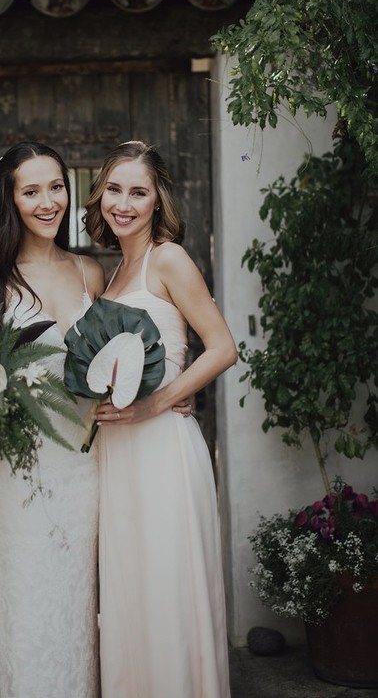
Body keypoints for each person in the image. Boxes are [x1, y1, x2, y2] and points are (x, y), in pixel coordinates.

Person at [83, 140, 237, 698]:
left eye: (138, 192)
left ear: (156, 201)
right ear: (100, 194)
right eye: (115, 190)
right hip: (118, 454)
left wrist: (159, 400)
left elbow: (222, 348)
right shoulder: (113, 272)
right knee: (131, 593)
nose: (123, 203)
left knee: (168, 588)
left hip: (163, 450)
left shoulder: (167, 258)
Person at [0, 142, 105, 698]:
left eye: (57, 187)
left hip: (86, 459)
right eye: (32, 190)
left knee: (78, 593)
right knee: (32, 586)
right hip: (19, 467)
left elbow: (113, 359)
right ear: (10, 198)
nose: (49, 202)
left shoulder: (90, 271)